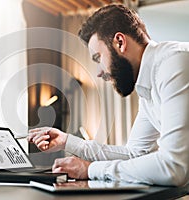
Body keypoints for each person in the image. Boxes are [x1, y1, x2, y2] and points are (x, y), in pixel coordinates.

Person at [27, 4, 189, 186]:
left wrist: (89, 169)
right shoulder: (148, 86)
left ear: (120, 42)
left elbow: (174, 167)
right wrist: (67, 141)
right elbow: (134, 154)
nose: (98, 72)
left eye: (98, 58)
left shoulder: (174, 63)